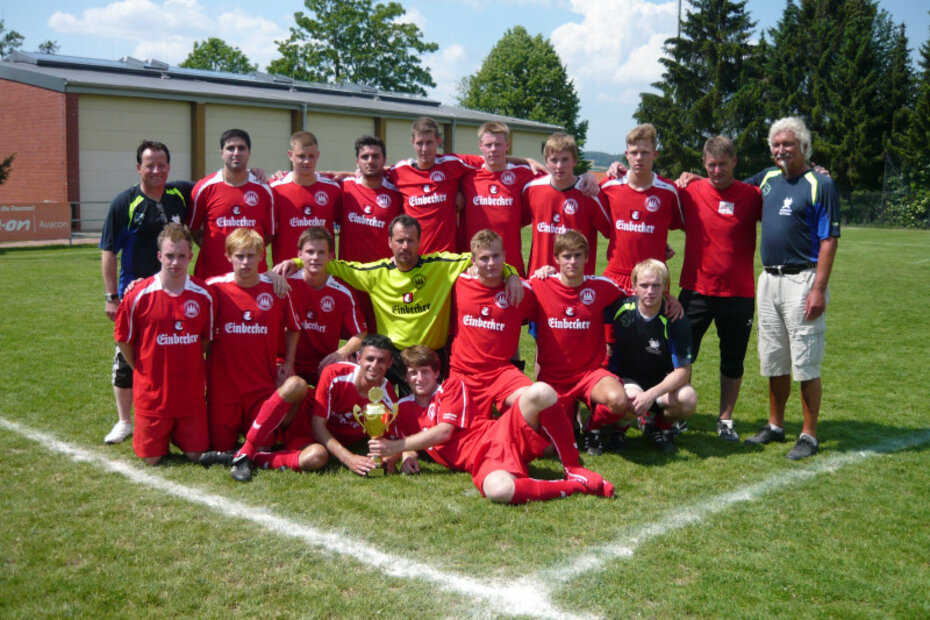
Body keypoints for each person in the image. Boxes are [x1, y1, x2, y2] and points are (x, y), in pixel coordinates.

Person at [276, 214, 524, 389]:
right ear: (390, 242)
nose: (405, 246)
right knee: (372, 405)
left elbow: (484, 258)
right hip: (390, 355)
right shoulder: (374, 273)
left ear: (419, 242)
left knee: (422, 418)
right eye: (400, 240)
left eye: (410, 240)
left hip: (428, 354)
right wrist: (296, 261)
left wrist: (511, 274)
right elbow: (332, 264)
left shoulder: (441, 266)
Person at [448, 229, 609, 490]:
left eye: (496, 257)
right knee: (454, 438)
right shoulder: (458, 282)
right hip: (462, 376)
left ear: (505, 256)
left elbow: (555, 297)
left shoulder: (522, 290)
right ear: (473, 260)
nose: (491, 263)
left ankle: (573, 465)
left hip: (501, 373)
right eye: (484, 258)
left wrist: (522, 275)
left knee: (542, 409)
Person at [370, 346, 614, 503]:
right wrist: (407, 457)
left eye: (425, 372)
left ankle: (573, 467)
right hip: (481, 460)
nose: (419, 378)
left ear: (436, 373)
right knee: (499, 491)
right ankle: (576, 487)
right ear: (405, 378)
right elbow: (409, 439)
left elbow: (443, 432)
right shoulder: (402, 408)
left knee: (541, 392)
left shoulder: (451, 387)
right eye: (413, 373)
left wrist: (397, 446)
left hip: (500, 433)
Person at [742, 117, 840, 460]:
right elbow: (726, 187)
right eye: (776, 145)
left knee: (805, 361)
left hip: (803, 280)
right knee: (775, 358)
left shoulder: (820, 184)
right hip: (769, 279)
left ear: (804, 147)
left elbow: (829, 240)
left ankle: (809, 434)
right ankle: (776, 425)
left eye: (788, 144)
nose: (781, 150)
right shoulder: (767, 178)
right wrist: (692, 179)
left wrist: (818, 289)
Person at [100, 140, 193, 444]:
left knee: (175, 351)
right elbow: (108, 251)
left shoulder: (181, 194)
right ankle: (124, 421)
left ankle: (176, 412)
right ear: (138, 167)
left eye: (161, 165)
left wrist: (260, 175)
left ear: (169, 167)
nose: (156, 170)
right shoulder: (124, 203)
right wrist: (111, 297)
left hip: (176, 292)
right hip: (136, 295)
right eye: (150, 165)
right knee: (127, 354)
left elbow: (220, 183)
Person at [676, 136, 762, 442]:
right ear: (703, 163)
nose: (716, 170)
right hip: (695, 291)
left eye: (723, 164)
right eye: (711, 165)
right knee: (681, 356)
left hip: (739, 295)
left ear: (734, 162)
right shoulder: (689, 191)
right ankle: (676, 415)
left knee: (733, 361)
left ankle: (725, 420)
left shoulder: (752, 195)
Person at [202, 228, 305, 481]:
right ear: (228, 256)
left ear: (261, 256)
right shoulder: (213, 288)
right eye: (240, 256)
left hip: (261, 388)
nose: (245, 262)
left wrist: (289, 362)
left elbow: (294, 328)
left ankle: (243, 454)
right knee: (219, 446)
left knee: (265, 447)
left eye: (251, 256)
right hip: (222, 389)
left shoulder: (277, 289)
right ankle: (237, 453)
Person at [113, 223, 212, 465]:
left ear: (190, 256)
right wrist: (141, 367)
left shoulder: (204, 294)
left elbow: (205, 341)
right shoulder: (138, 294)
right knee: (151, 459)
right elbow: (123, 339)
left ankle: (179, 434)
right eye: (169, 256)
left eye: (181, 256)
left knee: (197, 455)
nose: (175, 262)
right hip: (153, 397)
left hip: (190, 396)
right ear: (159, 256)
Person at [530, 231, 629, 455]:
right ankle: (568, 416)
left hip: (589, 374)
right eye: (566, 256)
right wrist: (508, 275)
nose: (572, 261)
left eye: (577, 255)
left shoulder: (602, 286)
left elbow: (640, 297)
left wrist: (669, 300)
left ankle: (592, 426)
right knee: (548, 449)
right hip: (554, 379)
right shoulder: (540, 284)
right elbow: (509, 288)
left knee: (617, 400)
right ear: (556, 259)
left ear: (587, 257)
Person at [605, 259, 697, 453]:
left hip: (662, 385)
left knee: (688, 399)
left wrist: (650, 395)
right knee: (628, 400)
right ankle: (620, 429)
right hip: (629, 380)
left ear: (665, 287)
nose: (650, 291)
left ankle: (658, 425)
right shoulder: (620, 308)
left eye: (656, 285)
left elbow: (683, 371)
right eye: (644, 285)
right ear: (634, 286)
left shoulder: (676, 319)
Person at [600, 123, 684, 294]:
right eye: (634, 152)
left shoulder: (668, 190)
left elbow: (679, 223)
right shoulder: (608, 187)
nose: (639, 158)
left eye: (645, 153)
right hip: (617, 275)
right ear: (626, 155)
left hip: (653, 278)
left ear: (655, 154)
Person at [188, 128, 275, 279]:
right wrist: (213, 247)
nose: (236, 153)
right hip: (212, 276)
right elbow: (193, 228)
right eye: (230, 148)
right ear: (222, 152)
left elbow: (268, 234)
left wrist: (248, 251)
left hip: (252, 278)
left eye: (241, 148)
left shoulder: (264, 189)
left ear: (249, 153)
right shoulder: (204, 188)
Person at [310, 334, 400, 476]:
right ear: (359, 358)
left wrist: (390, 458)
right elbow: (317, 426)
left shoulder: (387, 396)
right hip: (310, 433)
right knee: (315, 457)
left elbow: (398, 439)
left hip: (348, 443)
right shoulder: (334, 374)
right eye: (370, 359)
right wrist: (349, 458)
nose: (375, 366)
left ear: (390, 363)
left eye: (382, 360)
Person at [287, 226, 367, 386]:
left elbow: (361, 334)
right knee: (289, 388)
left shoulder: (342, 292)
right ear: (299, 255)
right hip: (289, 362)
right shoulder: (286, 285)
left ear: (331, 256)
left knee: (357, 379)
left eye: (321, 252)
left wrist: (341, 352)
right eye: (310, 252)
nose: (315, 257)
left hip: (325, 363)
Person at [523, 132, 611, 277]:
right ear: (546, 161)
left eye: (565, 160)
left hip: (577, 281)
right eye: (554, 160)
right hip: (539, 278)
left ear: (574, 161)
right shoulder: (532, 189)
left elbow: (613, 234)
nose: (559, 166)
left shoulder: (589, 193)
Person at [385, 117, 477, 253]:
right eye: (419, 143)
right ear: (412, 142)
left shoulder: (452, 163)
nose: (424, 149)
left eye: (429, 142)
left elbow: (491, 161)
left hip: (445, 256)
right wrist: (352, 174)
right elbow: (373, 174)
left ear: (438, 141)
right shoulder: (400, 171)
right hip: (413, 256)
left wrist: (462, 191)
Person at [458, 122, 538, 276]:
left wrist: (530, 161)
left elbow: (555, 179)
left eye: (498, 144)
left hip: (511, 266)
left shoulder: (523, 174)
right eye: (488, 145)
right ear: (481, 146)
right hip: (474, 267)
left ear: (507, 145)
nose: (493, 149)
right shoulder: (467, 176)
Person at [270, 131, 341, 266]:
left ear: (318, 155)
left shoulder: (333, 188)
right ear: (290, 155)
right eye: (301, 156)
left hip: (322, 270)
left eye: (311, 156)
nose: (306, 161)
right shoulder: (275, 189)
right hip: (286, 270)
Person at [338, 135, 403, 264]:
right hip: (349, 272)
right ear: (357, 162)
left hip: (382, 271)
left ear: (384, 160)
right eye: (365, 157)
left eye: (375, 156)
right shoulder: (344, 188)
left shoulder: (397, 194)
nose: (370, 161)